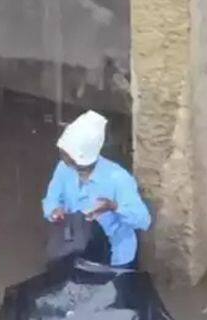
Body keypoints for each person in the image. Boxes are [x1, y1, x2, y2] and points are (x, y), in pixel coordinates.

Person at [42, 110, 151, 269]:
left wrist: (114, 207)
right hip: (77, 247)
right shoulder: (63, 168)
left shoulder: (118, 178)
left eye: (67, 156)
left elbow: (144, 221)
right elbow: (51, 199)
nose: (63, 159)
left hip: (115, 256)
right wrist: (55, 211)